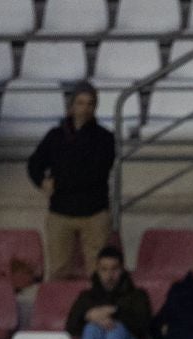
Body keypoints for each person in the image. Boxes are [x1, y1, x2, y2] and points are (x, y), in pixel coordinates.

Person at [27, 83, 117, 281]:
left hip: (93, 213)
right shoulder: (55, 136)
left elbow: (95, 174)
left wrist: (57, 184)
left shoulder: (105, 138)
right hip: (61, 213)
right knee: (58, 272)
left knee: (99, 275)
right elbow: (34, 163)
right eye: (80, 103)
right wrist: (41, 182)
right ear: (71, 105)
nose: (85, 108)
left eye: (90, 104)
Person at [70, 247, 152, 339]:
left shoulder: (137, 295)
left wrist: (114, 312)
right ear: (97, 270)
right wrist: (89, 316)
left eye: (114, 269)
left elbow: (144, 326)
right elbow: (70, 327)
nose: (109, 275)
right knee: (91, 328)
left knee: (116, 329)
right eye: (104, 269)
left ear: (122, 270)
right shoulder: (87, 297)